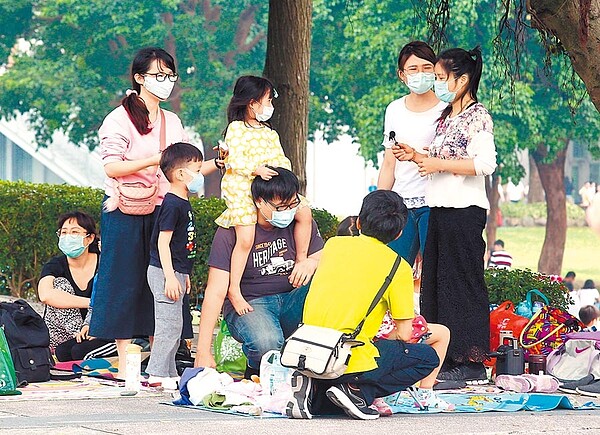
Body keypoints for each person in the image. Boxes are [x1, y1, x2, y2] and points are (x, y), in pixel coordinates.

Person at [90, 47, 221, 379]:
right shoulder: (118, 119)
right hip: (125, 210)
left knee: (163, 282)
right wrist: (153, 160)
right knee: (123, 281)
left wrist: (217, 163)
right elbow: (112, 166)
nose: (166, 82)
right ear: (139, 78)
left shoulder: (172, 120)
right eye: (159, 75)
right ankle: (124, 360)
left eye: (170, 75)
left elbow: (184, 167)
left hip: (164, 209)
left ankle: (158, 357)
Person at [287, 190, 440, 420]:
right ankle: (356, 391)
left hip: (307, 347)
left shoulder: (333, 246)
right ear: (399, 233)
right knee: (427, 358)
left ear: (358, 222)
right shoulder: (397, 267)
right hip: (348, 356)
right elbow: (404, 332)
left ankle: (315, 390)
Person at [395, 46, 497, 383]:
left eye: (441, 78)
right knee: (435, 284)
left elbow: (484, 163)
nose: (436, 84)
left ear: (463, 79)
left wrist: (437, 163)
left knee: (462, 285)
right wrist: (415, 155)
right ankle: (439, 358)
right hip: (437, 208)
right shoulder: (447, 117)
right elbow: (440, 155)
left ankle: (469, 361)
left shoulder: (477, 116)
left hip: (464, 212)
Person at [194, 167, 324, 377]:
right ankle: (257, 369)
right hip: (252, 304)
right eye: (281, 207)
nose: (288, 212)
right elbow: (215, 291)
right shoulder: (231, 231)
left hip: (293, 298)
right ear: (259, 202)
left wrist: (311, 261)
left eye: (293, 204)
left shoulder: (300, 224)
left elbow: (324, 256)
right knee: (267, 344)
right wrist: (203, 350)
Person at [215, 76, 313, 317]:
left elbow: (282, 160)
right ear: (252, 103)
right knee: (246, 237)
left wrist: (281, 178)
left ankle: (300, 259)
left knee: (304, 212)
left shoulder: (270, 133)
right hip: (242, 186)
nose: (270, 105)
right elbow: (231, 160)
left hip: (271, 188)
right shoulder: (236, 129)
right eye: (267, 100)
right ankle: (234, 290)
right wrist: (254, 169)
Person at [377, 41, 447, 267]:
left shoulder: (447, 108)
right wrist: (378, 206)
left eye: (427, 68)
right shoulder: (394, 109)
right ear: (402, 75)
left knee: (435, 272)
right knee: (391, 270)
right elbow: (389, 165)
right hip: (400, 206)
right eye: (413, 69)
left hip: (436, 204)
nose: (421, 74)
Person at [144, 143, 203, 389]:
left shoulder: (182, 201)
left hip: (176, 272)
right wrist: (169, 276)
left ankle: (167, 372)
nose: (200, 176)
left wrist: (183, 274)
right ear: (180, 174)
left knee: (176, 324)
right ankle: (156, 372)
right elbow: (163, 241)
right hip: (163, 272)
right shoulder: (171, 204)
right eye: (197, 169)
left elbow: (181, 245)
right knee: (168, 325)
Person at [38, 211, 117, 362]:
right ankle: (81, 337)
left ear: (90, 238)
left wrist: (96, 321)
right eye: (64, 232)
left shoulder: (104, 263)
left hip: (100, 328)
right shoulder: (55, 265)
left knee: (79, 351)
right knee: (59, 285)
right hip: (66, 334)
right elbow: (45, 295)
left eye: (74, 232)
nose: (68, 237)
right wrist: (92, 302)